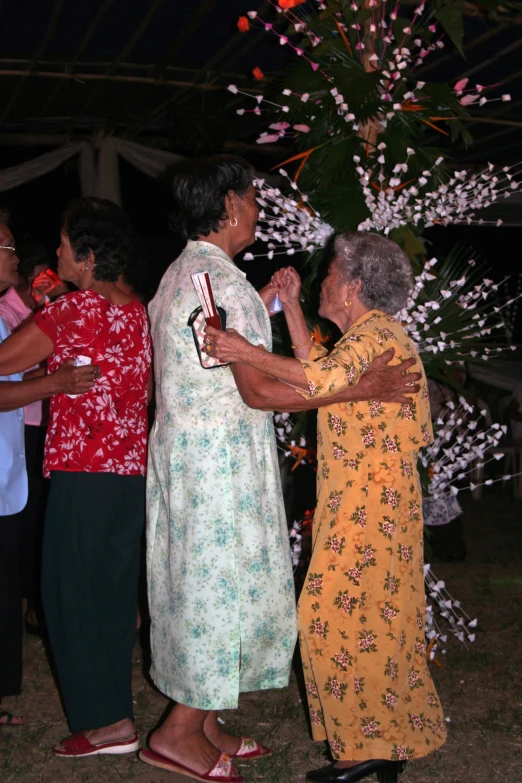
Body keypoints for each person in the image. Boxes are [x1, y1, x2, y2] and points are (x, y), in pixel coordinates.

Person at [141, 155, 423, 783]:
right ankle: (180, 732)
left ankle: (207, 721)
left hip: (193, 457)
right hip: (219, 469)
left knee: (207, 585)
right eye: (253, 198)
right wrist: (359, 388)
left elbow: (222, 357)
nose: (259, 210)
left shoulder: (184, 275)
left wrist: (270, 304)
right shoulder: (220, 283)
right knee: (217, 591)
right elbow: (259, 391)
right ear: (232, 206)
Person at [206, 231, 446, 783]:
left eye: (332, 273)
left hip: (371, 502)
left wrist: (242, 350)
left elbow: (318, 380)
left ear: (354, 286)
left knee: (327, 615)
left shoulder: (378, 334)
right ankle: (385, 743)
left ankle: (362, 749)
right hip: (369, 500)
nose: (324, 281)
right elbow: (321, 368)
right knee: (375, 620)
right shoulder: (370, 336)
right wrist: (289, 307)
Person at [0, 198, 152, 756]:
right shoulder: (136, 311)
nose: (56, 249)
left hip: (81, 473)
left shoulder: (72, 313)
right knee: (112, 597)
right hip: (128, 475)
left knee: (67, 596)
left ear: (86, 256)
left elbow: (0, 361)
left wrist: (50, 376)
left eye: (64, 243)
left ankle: (104, 723)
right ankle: (119, 715)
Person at [0, 219, 98, 727]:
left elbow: (15, 376)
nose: (17, 257)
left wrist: (56, 376)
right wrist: (54, 381)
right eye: (8, 247)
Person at [0, 239, 58, 635]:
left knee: (31, 520)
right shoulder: (8, 312)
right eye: (8, 246)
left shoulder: (32, 312)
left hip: (32, 431)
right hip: (22, 428)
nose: (16, 255)